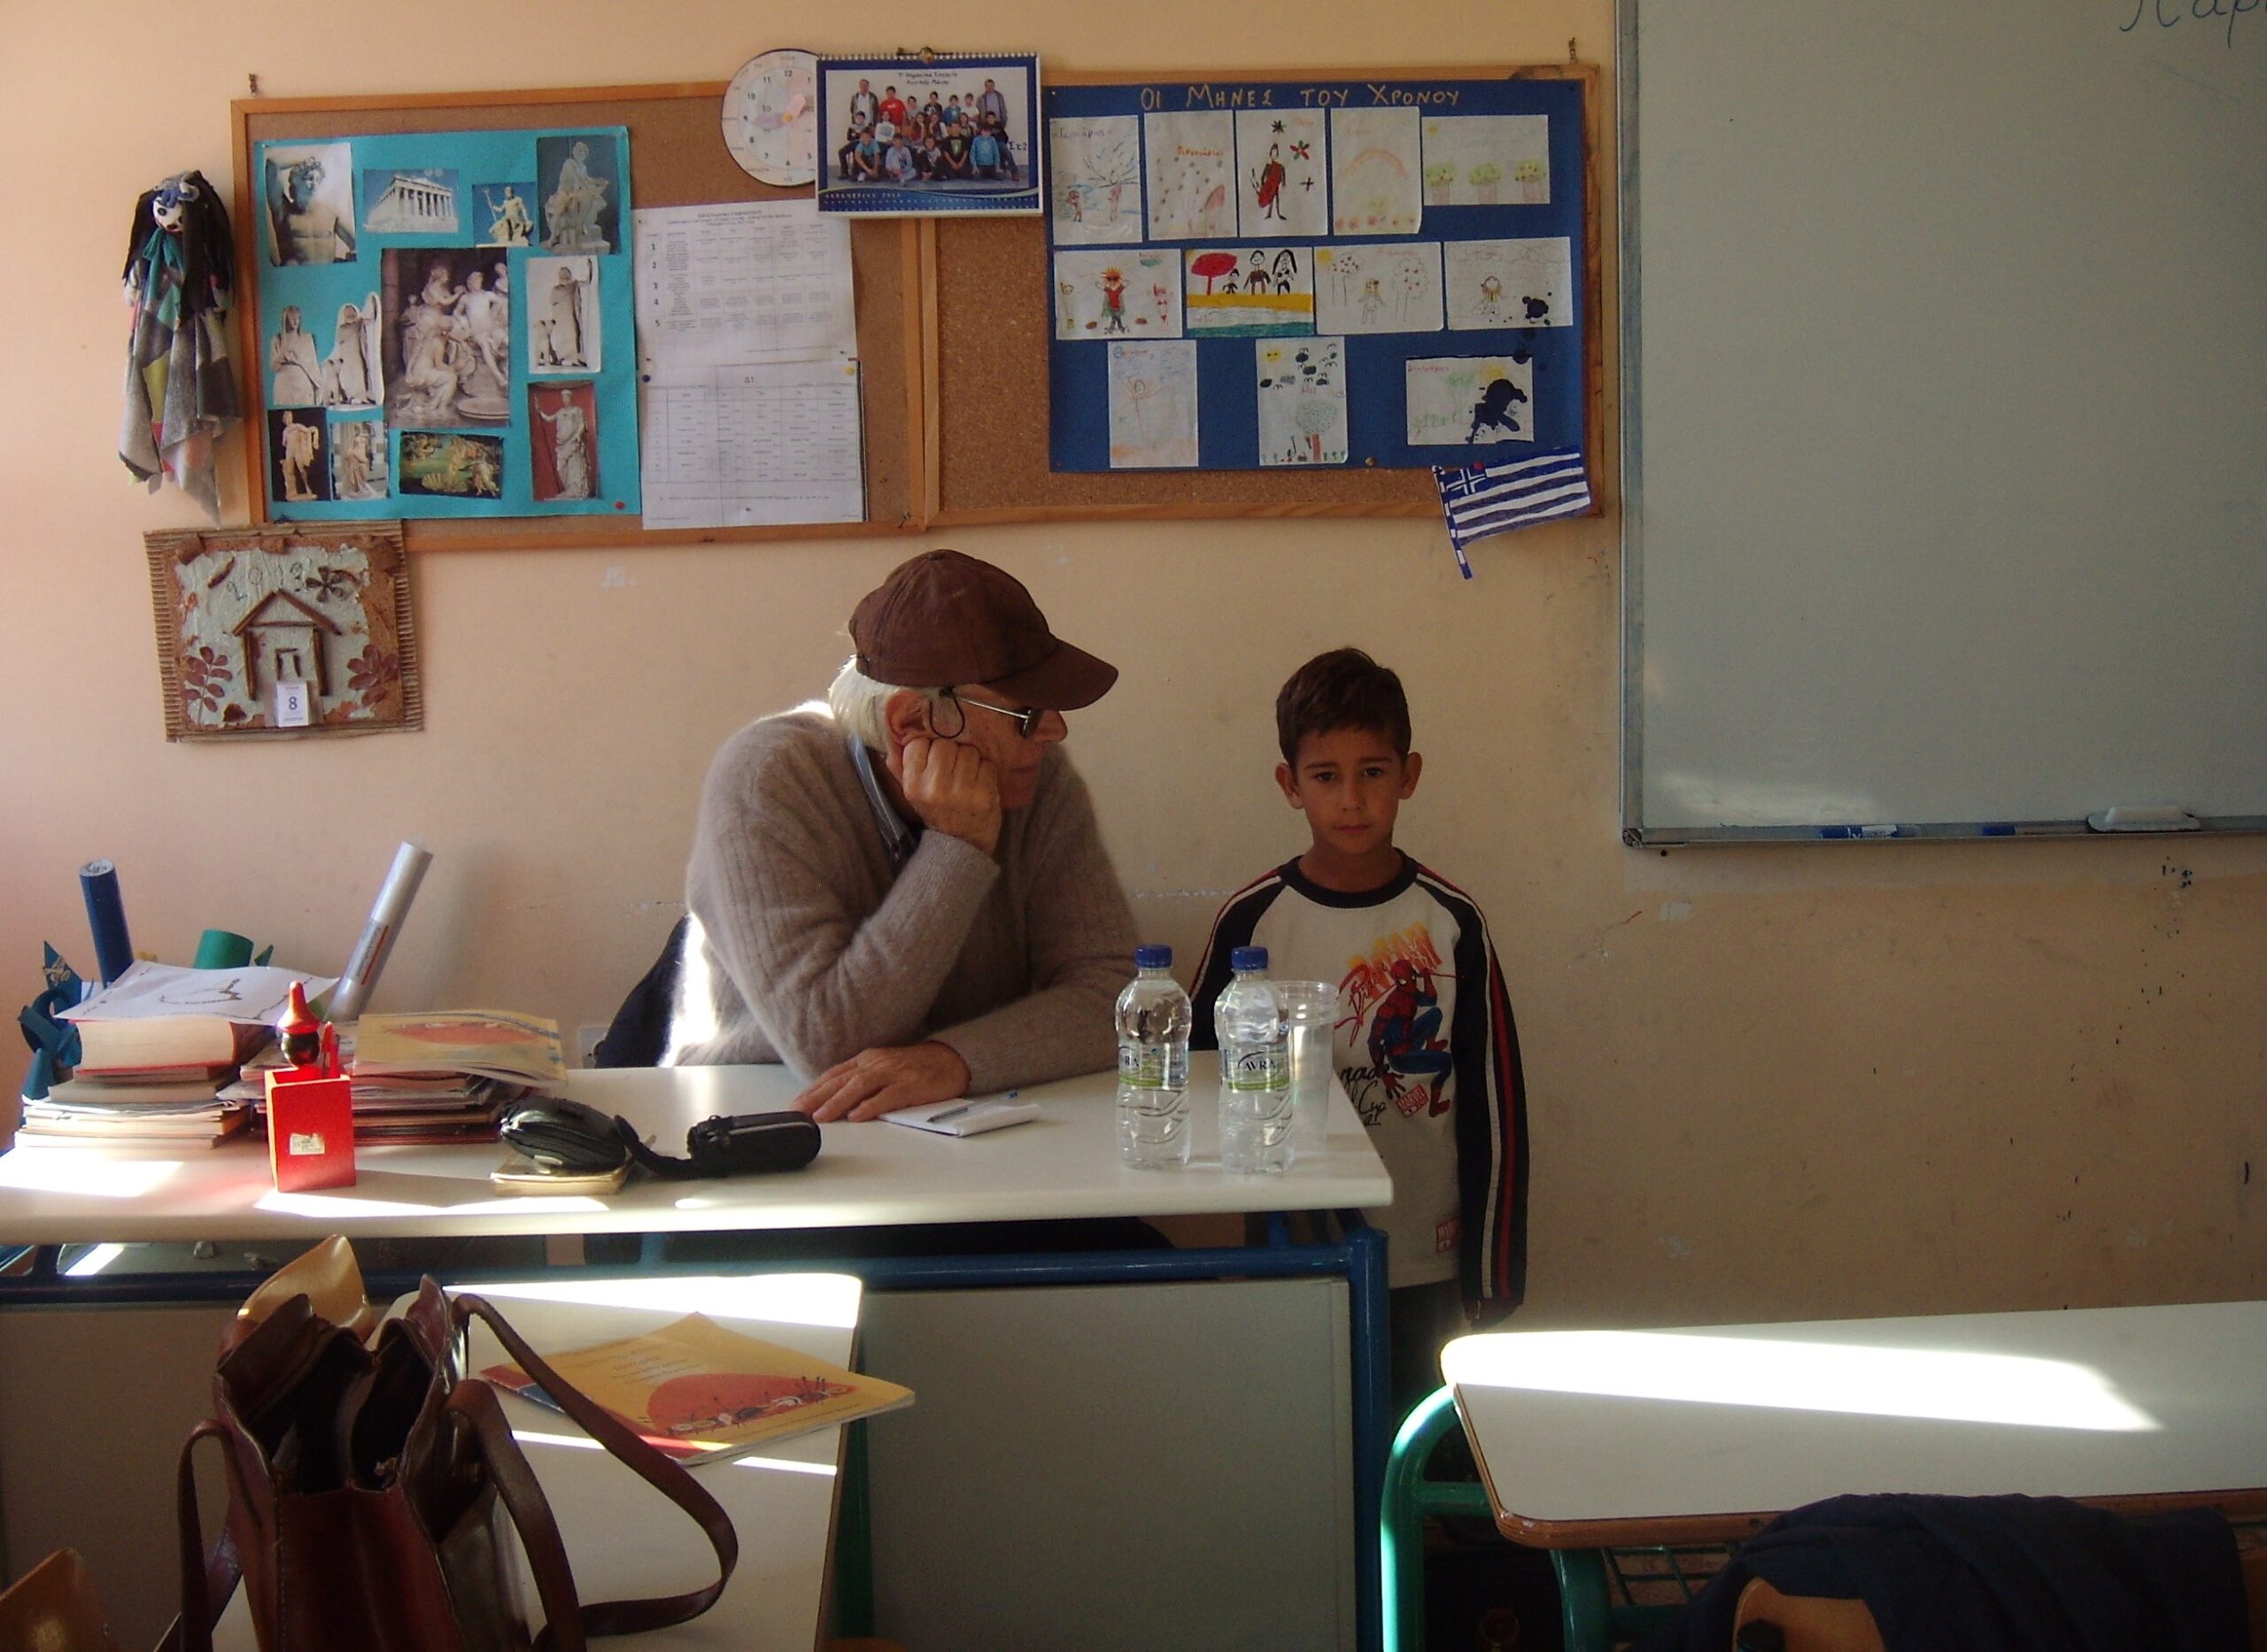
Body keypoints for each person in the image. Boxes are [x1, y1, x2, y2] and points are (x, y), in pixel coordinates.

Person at [669, 550, 1136, 1124]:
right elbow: (827, 1042)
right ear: (913, 722)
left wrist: (953, 1061)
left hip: (963, 1120)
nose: (1055, 731)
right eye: (1026, 714)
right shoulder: (767, 779)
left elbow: (1121, 996)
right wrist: (957, 849)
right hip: (765, 1118)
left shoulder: (1034, 776)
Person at [1190, 647, 1528, 1417]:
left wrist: (1492, 1269)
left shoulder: (1450, 921)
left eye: (1373, 772)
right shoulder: (1252, 921)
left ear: (1409, 775)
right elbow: (1200, 1080)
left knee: (1413, 1436)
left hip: (1423, 1247)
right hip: (1292, 1241)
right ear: (1290, 785)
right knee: (1302, 1427)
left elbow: (1496, 1106)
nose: (1351, 799)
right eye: (1325, 776)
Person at [267, 305, 321, 406]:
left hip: (303, 384)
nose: (296, 322)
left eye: (298, 319)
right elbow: (273, 366)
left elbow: (312, 364)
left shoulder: (307, 339)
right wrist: (283, 355)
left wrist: (298, 360)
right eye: (292, 319)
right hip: (284, 384)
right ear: (286, 320)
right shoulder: (277, 339)